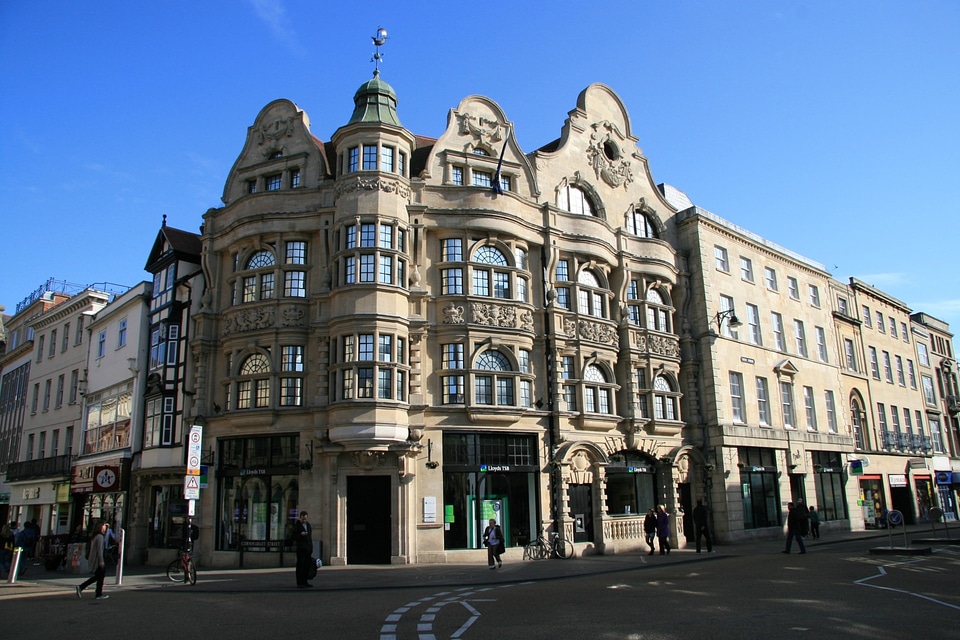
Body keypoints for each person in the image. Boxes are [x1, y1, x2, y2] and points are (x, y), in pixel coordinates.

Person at [76, 521, 109, 599]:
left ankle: (82, 587)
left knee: (98, 577)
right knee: (99, 577)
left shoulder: (96, 536)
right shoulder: (100, 537)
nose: (105, 527)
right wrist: (101, 561)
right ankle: (98, 593)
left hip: (95, 560)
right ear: (101, 526)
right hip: (98, 560)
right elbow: (100, 550)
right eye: (104, 525)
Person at [294, 511, 313, 588]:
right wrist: (300, 535)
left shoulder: (308, 525)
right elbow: (293, 536)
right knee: (300, 566)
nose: (304, 520)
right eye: (303, 518)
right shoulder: (297, 526)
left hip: (307, 549)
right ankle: (299, 582)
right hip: (301, 548)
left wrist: (311, 548)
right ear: (300, 517)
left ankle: (305, 581)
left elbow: (310, 537)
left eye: (305, 518)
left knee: (306, 566)